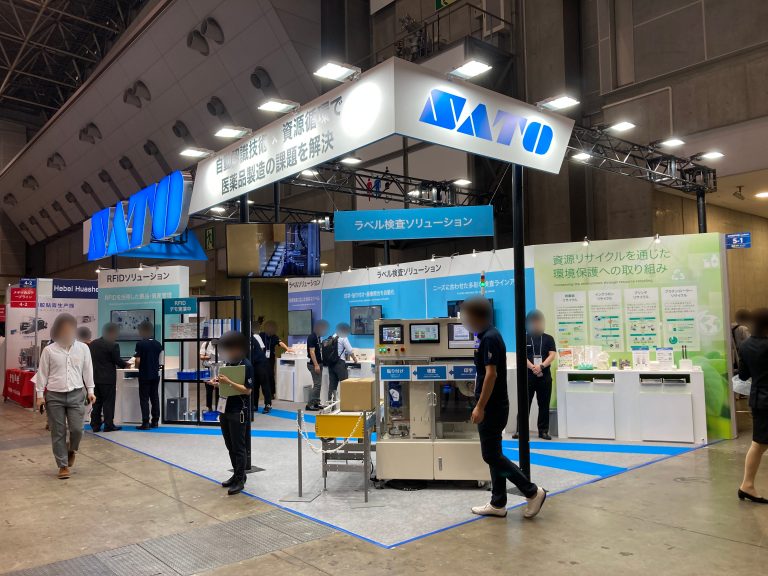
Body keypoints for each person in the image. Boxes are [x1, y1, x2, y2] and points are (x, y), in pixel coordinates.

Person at [461, 296, 547, 519]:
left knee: (491, 455)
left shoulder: (490, 337)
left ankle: (532, 491)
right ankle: (498, 503)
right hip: (493, 404)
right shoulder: (484, 336)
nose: (463, 321)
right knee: (494, 454)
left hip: (492, 407)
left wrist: (480, 406)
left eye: (465, 316)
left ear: (476, 316)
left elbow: (491, 375)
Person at [33, 313, 95, 479]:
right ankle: (63, 465)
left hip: (76, 394)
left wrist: (90, 391)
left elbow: (88, 370)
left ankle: (71, 449)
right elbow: (42, 373)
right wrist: (40, 395)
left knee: (77, 430)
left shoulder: (83, 349)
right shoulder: (49, 350)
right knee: (58, 432)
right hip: (54, 396)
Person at [209, 330, 253, 495]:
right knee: (230, 445)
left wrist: (229, 382)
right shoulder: (228, 363)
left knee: (239, 446)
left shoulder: (246, 365)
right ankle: (236, 474)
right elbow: (226, 384)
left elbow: (247, 390)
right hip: (225, 408)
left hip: (238, 411)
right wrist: (217, 383)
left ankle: (240, 479)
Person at [737, 307, 768, 504]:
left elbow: (742, 375)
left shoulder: (746, 345)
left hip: (758, 399)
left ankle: (747, 485)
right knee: (759, 444)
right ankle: (747, 485)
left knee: (759, 443)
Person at [519, 309, 557, 440]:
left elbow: (552, 355)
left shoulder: (549, 338)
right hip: (528, 376)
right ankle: (520, 430)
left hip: (544, 376)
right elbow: (521, 355)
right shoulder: (524, 338)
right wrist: (533, 367)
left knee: (544, 405)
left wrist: (541, 366)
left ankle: (543, 431)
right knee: (524, 404)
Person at [89, 322, 129, 432]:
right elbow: (117, 361)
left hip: (95, 378)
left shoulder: (93, 344)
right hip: (108, 379)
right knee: (108, 403)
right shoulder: (113, 345)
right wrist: (127, 364)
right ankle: (108, 425)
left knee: (96, 403)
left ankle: (95, 425)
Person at [133, 320, 163, 430]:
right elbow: (160, 360)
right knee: (155, 397)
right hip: (155, 374)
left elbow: (138, 360)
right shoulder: (158, 344)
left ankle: (145, 422)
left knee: (144, 399)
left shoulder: (140, 344)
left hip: (144, 375)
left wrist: (136, 367)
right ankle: (155, 421)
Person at [260, 320, 291, 407]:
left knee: (270, 375)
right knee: (263, 375)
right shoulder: (261, 335)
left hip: (270, 359)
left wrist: (287, 348)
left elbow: (280, 343)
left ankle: (272, 393)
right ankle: (265, 393)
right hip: (262, 358)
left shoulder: (274, 337)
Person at [326, 322, 357, 402]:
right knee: (345, 384)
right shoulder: (343, 337)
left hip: (331, 364)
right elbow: (349, 350)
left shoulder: (332, 336)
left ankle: (331, 403)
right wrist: (354, 359)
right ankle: (346, 402)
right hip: (339, 363)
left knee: (332, 385)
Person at [304, 319, 329, 411]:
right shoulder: (312, 337)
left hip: (319, 363)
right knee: (317, 385)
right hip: (314, 364)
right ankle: (309, 404)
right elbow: (312, 352)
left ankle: (316, 403)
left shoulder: (318, 337)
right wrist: (316, 365)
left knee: (318, 384)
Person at [250, 329, 272, 414]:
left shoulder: (254, 337)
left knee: (264, 384)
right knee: (255, 385)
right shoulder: (246, 339)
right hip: (253, 363)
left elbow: (262, 349)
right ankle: (254, 405)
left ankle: (268, 404)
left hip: (261, 363)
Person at [200, 340, 217, 412]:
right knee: (209, 390)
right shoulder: (206, 344)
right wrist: (210, 357)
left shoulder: (222, 343)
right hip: (208, 369)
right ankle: (209, 407)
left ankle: (220, 408)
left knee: (220, 389)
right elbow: (201, 356)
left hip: (219, 368)